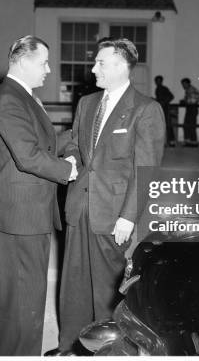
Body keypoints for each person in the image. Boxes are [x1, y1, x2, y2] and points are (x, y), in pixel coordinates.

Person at [48, 38, 165, 355]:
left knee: (105, 291)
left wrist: (129, 217)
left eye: (100, 62)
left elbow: (147, 171)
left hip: (113, 215)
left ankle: (106, 352)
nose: (93, 68)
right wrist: (71, 158)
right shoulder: (87, 103)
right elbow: (74, 143)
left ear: (121, 65)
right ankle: (71, 345)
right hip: (79, 206)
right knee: (73, 285)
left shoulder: (146, 109)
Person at [0, 35, 78, 356]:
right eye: (44, 62)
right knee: (21, 305)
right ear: (23, 61)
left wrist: (79, 137)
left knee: (28, 301)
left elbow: (43, 142)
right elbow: (28, 155)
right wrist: (68, 171)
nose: (49, 70)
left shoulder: (22, 96)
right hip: (17, 217)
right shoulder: (9, 98)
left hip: (28, 215)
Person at [154, 75, 176, 147]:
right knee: (161, 125)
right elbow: (160, 99)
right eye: (157, 81)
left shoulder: (164, 88)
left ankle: (171, 141)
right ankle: (164, 142)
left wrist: (164, 102)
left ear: (161, 81)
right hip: (161, 109)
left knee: (168, 124)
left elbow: (171, 96)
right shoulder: (157, 89)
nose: (158, 82)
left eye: (159, 81)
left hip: (165, 109)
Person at [180, 77, 199, 147]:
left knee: (190, 126)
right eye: (182, 84)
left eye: (183, 84)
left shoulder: (191, 90)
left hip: (192, 109)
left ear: (187, 83)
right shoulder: (189, 90)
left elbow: (193, 100)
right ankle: (189, 141)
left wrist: (184, 101)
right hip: (190, 109)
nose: (183, 86)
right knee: (187, 125)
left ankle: (193, 142)